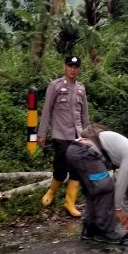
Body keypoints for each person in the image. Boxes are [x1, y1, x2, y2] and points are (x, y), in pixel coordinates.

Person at [66, 134, 128, 244]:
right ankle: (105, 232)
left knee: (94, 192)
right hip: (85, 153)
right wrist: (117, 209)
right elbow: (121, 182)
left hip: (75, 150)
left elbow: (127, 177)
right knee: (105, 188)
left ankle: (89, 229)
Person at [38, 55, 90, 217]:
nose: (73, 70)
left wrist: (88, 135)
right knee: (61, 167)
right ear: (64, 67)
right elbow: (46, 110)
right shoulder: (55, 86)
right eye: (70, 66)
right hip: (60, 134)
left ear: (79, 69)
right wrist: (42, 133)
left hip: (78, 135)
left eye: (76, 67)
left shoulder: (81, 88)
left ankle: (70, 202)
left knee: (77, 168)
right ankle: (52, 192)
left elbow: (85, 115)